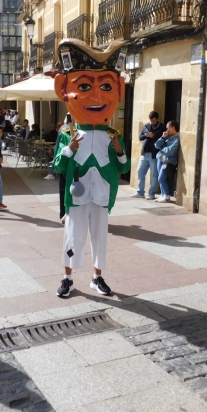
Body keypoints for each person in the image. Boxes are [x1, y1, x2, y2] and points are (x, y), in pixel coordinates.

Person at [53, 38, 131, 298]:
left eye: (107, 86)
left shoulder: (113, 134)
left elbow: (124, 167)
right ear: (62, 90)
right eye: (84, 86)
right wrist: (69, 150)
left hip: (101, 195)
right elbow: (58, 167)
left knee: (100, 238)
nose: (97, 96)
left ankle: (97, 278)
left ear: (119, 89)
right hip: (76, 197)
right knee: (72, 238)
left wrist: (120, 151)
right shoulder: (67, 134)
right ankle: (68, 278)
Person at [133, 111, 164, 200]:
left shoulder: (162, 127)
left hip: (154, 154)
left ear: (157, 119)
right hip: (145, 152)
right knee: (140, 171)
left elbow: (162, 138)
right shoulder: (147, 126)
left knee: (154, 174)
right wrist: (146, 135)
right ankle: (140, 192)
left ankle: (152, 193)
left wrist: (153, 135)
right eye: (151, 120)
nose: (152, 122)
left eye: (154, 121)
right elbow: (140, 137)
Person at [154, 120, 180, 203]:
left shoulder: (178, 138)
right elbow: (156, 145)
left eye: (168, 127)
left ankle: (167, 196)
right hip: (160, 159)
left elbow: (171, 150)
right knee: (160, 179)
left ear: (173, 127)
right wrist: (162, 137)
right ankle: (163, 195)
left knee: (161, 178)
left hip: (168, 161)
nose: (167, 129)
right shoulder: (167, 136)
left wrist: (162, 150)